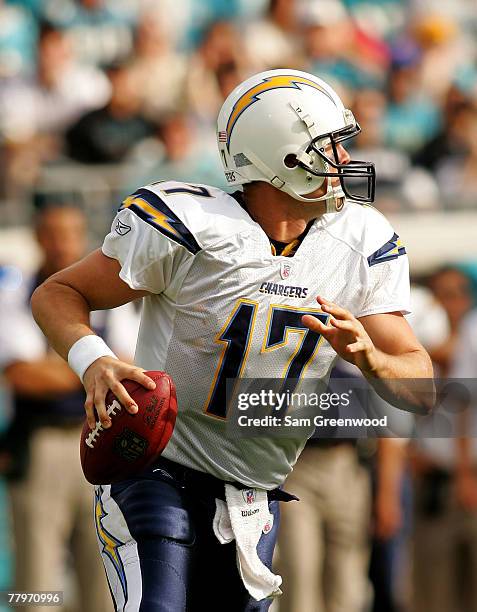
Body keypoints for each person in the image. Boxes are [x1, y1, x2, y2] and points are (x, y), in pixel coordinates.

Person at [31, 69, 434, 611]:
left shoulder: (360, 241)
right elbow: (58, 293)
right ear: (281, 158)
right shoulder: (191, 222)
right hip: (158, 467)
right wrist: (93, 359)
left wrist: (369, 356)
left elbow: (422, 388)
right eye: (328, 148)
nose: (342, 161)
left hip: (253, 493)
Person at [0, 202, 139, 612]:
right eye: (53, 234)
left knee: (104, 573)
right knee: (36, 579)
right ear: (39, 238)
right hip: (46, 441)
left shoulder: (109, 298)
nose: (62, 243)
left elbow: (134, 371)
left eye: (71, 233)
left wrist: (69, 366)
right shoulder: (18, 292)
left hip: (103, 443)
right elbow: (23, 374)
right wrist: (99, 367)